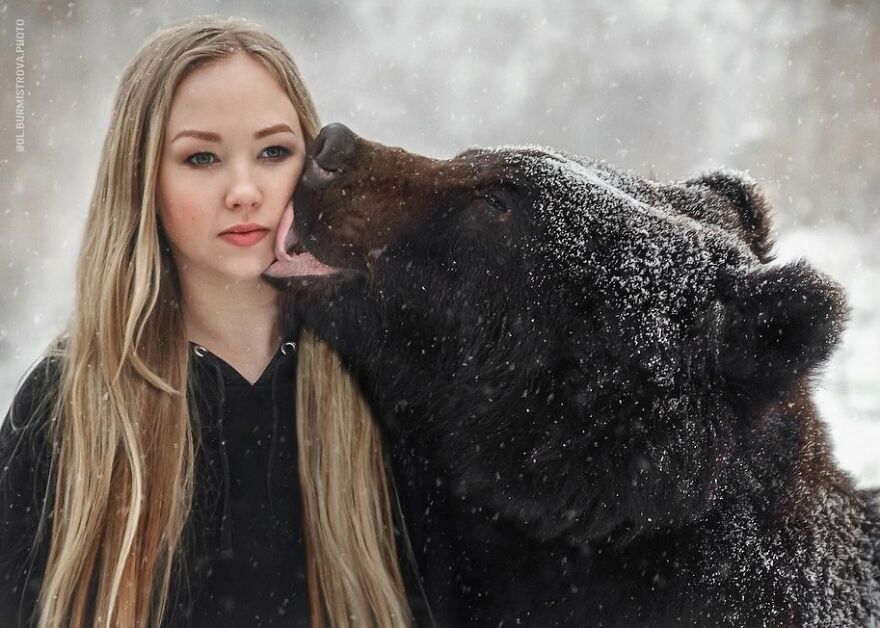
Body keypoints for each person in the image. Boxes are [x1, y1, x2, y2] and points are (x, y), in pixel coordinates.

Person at [0, 16, 432, 628]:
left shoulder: (382, 383)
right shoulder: (67, 406)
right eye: (201, 157)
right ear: (143, 178)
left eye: (273, 152)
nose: (243, 189)